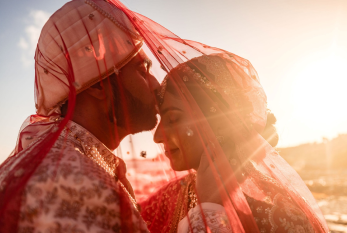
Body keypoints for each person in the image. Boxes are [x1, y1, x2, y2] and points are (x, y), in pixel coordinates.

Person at [0, 0, 159, 232]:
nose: (156, 84)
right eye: (142, 70)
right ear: (98, 86)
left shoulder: (69, 162)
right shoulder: (75, 184)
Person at [139, 53, 329, 232]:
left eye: (172, 119)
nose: (157, 137)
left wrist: (209, 209)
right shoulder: (169, 197)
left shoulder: (280, 214)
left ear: (218, 124)